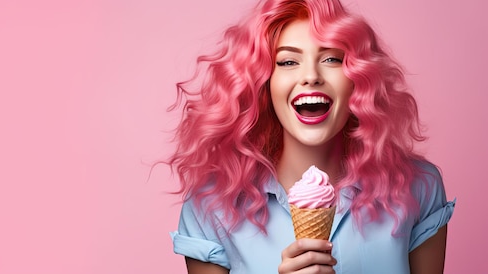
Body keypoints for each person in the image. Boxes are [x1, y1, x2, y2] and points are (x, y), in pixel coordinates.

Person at [166, 0, 456, 273]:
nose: (311, 76)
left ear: (358, 78)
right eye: (288, 62)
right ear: (262, 83)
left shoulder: (418, 188)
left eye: (331, 58)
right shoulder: (212, 206)